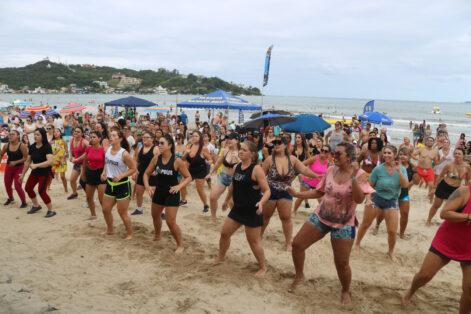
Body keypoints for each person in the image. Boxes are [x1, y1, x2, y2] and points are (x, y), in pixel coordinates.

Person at [285, 142, 374, 304]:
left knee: (342, 263)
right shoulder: (331, 170)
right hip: (322, 216)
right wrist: (297, 194)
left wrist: (353, 177)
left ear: (349, 157)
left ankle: (345, 290)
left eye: (338, 153)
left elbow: (359, 200)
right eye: (334, 153)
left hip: (344, 223)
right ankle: (299, 275)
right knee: (297, 244)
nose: (334, 156)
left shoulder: (359, 174)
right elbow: (319, 191)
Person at [402, 185, 471, 312]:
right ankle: (411, 292)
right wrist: (468, 216)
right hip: (447, 241)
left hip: (469, 248)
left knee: (469, 290)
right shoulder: (464, 192)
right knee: (424, 275)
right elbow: (444, 213)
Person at [211, 141, 271, 277]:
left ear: (252, 154)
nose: (241, 151)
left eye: (244, 150)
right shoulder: (237, 166)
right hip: (238, 209)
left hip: (252, 210)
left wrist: (261, 202)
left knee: (253, 242)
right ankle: (221, 256)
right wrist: (226, 200)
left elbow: (267, 190)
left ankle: (262, 267)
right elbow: (233, 185)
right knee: (224, 234)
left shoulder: (256, 169)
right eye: (241, 149)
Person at [261, 137, 320, 251]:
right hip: (271, 190)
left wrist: (316, 176)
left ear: (284, 145)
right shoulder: (269, 159)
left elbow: (304, 170)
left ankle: (288, 243)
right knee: (265, 217)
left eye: (279, 143)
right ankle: (259, 237)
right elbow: (262, 175)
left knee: (286, 218)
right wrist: (260, 190)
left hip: (286, 191)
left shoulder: (292, 159)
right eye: (275, 143)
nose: (276, 145)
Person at [354, 145, 408, 261]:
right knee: (366, 224)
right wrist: (368, 200)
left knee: (392, 231)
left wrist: (398, 171)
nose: (386, 155)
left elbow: (405, 186)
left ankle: (390, 252)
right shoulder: (378, 169)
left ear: (395, 155)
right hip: (376, 199)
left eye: (389, 153)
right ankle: (357, 244)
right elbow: (369, 186)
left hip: (392, 201)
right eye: (385, 153)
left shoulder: (402, 169)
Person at [144, 134, 192, 254]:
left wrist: (179, 186)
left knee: (170, 221)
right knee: (155, 216)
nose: (159, 145)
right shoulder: (156, 159)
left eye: (162, 143)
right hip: (159, 192)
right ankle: (157, 235)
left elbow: (188, 177)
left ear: (170, 146)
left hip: (172, 193)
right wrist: (147, 186)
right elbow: (146, 174)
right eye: (158, 143)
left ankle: (180, 245)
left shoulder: (177, 161)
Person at [100, 127, 136, 239]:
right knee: (105, 209)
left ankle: (130, 233)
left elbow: (133, 168)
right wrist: (104, 172)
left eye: (114, 135)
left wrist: (121, 175)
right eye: (110, 135)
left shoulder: (124, 154)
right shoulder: (107, 150)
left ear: (120, 139)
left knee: (122, 212)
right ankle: (110, 230)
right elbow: (106, 162)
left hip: (123, 184)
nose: (111, 137)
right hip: (110, 183)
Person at [426, 148, 471, 227]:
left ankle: (451, 224)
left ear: (463, 155)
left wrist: (467, 190)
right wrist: (434, 187)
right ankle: (428, 220)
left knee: (456, 209)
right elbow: (440, 176)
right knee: (436, 205)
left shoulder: (467, 167)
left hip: (456, 190)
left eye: (459, 154)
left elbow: (468, 179)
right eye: (455, 153)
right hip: (444, 187)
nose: (457, 155)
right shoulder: (449, 165)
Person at [19, 128, 56, 218]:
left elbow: (50, 161)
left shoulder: (46, 147)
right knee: (28, 188)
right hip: (35, 172)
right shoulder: (32, 147)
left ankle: (51, 210)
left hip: (45, 172)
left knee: (41, 191)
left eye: (38, 135)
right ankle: (36, 206)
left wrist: (37, 165)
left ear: (42, 136)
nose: (35, 136)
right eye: (35, 134)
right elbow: (28, 162)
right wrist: (23, 174)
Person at [206, 133, 240, 223]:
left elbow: (245, 167)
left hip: (234, 180)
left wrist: (237, 158)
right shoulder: (226, 150)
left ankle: (234, 219)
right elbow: (218, 163)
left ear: (237, 140)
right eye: (227, 138)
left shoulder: (241, 152)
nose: (228, 140)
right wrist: (210, 173)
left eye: (231, 138)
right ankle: (213, 217)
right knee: (213, 197)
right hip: (223, 176)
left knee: (232, 203)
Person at [292, 144, 330, 215]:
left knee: (321, 200)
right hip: (307, 182)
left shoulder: (327, 161)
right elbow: (302, 164)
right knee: (301, 197)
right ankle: (294, 211)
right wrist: (306, 174)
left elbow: (326, 172)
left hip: (318, 184)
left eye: (325, 151)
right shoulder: (315, 158)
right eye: (322, 150)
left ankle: (322, 215)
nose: (323, 152)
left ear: (328, 153)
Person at [182, 131, 213, 212]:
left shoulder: (203, 148)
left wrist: (208, 162)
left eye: (196, 136)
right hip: (190, 170)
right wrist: (186, 153)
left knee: (199, 189)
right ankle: (184, 201)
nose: (194, 137)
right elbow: (183, 159)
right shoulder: (189, 146)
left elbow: (210, 160)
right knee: (182, 184)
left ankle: (206, 205)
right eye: (193, 136)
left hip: (200, 171)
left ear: (200, 138)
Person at [79, 131, 106, 220]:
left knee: (101, 199)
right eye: (91, 137)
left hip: (100, 173)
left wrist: (104, 173)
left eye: (94, 137)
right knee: (89, 197)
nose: (92, 139)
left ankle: (106, 215)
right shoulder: (89, 148)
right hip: (90, 172)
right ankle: (93, 215)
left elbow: (107, 163)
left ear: (99, 139)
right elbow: (85, 161)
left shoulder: (104, 149)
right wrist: (83, 173)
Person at [131, 131, 159, 215]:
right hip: (141, 173)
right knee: (139, 192)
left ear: (152, 139)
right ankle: (139, 209)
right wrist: (135, 171)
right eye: (143, 137)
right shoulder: (140, 148)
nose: (144, 139)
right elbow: (136, 160)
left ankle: (159, 211)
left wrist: (156, 171)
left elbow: (161, 161)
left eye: (147, 137)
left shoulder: (156, 149)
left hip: (152, 175)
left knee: (153, 195)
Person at [0, 130, 28, 208]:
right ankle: (11, 198)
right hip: (9, 167)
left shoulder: (22, 146)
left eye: (13, 134)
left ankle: (24, 202)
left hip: (19, 168)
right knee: (7, 184)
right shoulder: (6, 145)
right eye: (10, 134)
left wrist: (16, 162)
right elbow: (1, 154)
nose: (10, 136)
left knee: (17, 186)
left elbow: (26, 158)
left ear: (18, 136)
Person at [412, 137, 439, 202]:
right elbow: (412, 155)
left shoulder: (435, 152)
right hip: (419, 169)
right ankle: (404, 195)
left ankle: (430, 199)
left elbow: (435, 162)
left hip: (429, 170)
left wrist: (435, 167)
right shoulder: (421, 149)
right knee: (412, 182)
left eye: (431, 141)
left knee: (431, 185)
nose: (430, 142)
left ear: (433, 142)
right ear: (426, 142)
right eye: (428, 141)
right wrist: (418, 159)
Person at [68, 127, 89, 199]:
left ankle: (89, 197)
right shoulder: (72, 139)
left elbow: (89, 150)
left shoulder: (84, 141)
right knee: (72, 180)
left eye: (78, 132)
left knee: (83, 181)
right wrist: (70, 156)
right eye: (75, 131)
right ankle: (74, 193)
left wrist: (78, 159)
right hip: (77, 163)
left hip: (84, 163)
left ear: (82, 134)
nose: (76, 133)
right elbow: (71, 148)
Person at [50, 128, 68, 193]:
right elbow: (49, 152)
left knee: (62, 177)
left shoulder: (63, 142)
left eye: (57, 131)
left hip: (62, 161)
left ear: (60, 133)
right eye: (54, 132)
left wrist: (64, 156)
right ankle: (48, 188)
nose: (55, 133)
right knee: (51, 175)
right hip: (53, 161)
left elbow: (67, 153)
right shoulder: (51, 142)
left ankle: (66, 189)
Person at [174, 134, 188, 206]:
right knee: (175, 183)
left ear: (182, 139)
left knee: (182, 185)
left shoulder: (185, 148)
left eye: (178, 138)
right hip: (175, 168)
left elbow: (185, 159)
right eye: (176, 138)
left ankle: (183, 200)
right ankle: (178, 199)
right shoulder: (174, 147)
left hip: (182, 168)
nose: (177, 139)